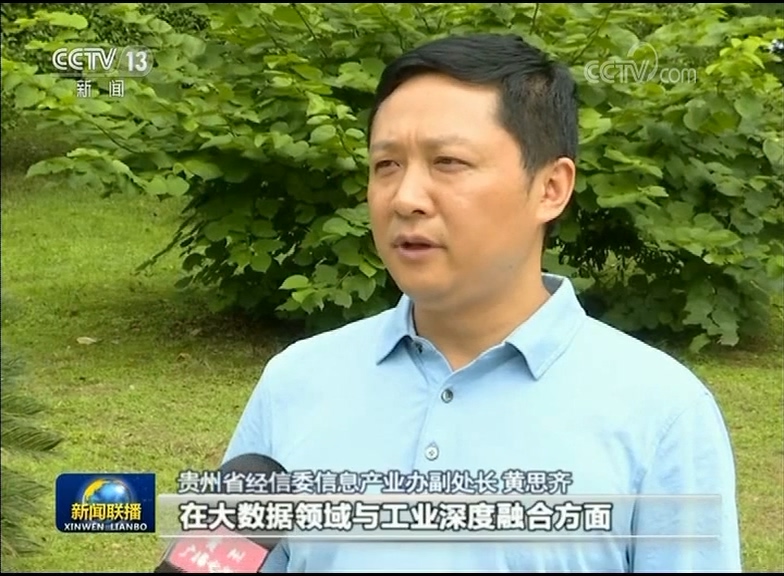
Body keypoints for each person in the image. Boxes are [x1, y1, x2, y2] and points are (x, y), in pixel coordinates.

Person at [222, 33, 742, 572]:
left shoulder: (662, 413)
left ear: (550, 188)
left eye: (448, 162)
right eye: (386, 165)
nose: (405, 198)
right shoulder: (295, 382)